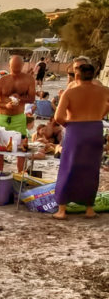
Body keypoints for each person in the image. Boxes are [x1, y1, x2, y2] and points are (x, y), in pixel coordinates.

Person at [51, 63, 109, 220]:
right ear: (94, 74)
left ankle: (62, 210)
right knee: (91, 169)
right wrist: (100, 115)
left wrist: (69, 125)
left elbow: (58, 117)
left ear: (77, 75)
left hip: (76, 129)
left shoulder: (70, 92)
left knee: (68, 168)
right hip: (96, 128)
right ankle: (89, 209)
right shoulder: (104, 91)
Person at [0, 55, 36, 173]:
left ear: (22, 65)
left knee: (21, 149)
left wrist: (19, 98)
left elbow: (31, 98)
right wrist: (5, 105)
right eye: (13, 67)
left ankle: (20, 174)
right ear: (9, 66)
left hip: (18, 117)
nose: (15, 70)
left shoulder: (29, 80)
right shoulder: (2, 80)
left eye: (18, 67)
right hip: (2, 117)